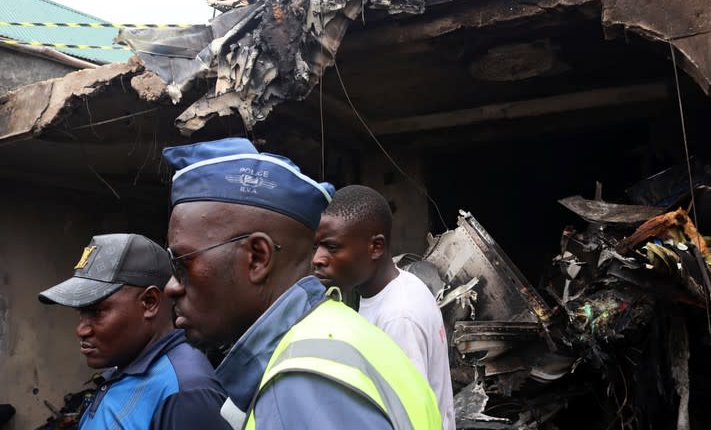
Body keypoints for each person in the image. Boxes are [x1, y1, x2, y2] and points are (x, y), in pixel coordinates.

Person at [161, 137, 441, 430]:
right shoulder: (340, 333)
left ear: (257, 258)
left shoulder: (302, 381)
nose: (171, 286)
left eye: (182, 264)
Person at [38, 233, 227, 430]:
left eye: (97, 312)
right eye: (81, 313)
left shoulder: (184, 393)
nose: (81, 330)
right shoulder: (126, 367)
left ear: (149, 302)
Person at [312, 185, 456, 430]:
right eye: (316, 246)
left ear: (375, 247)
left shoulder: (398, 317)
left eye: (332, 247)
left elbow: (408, 419)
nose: (317, 258)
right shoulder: (401, 285)